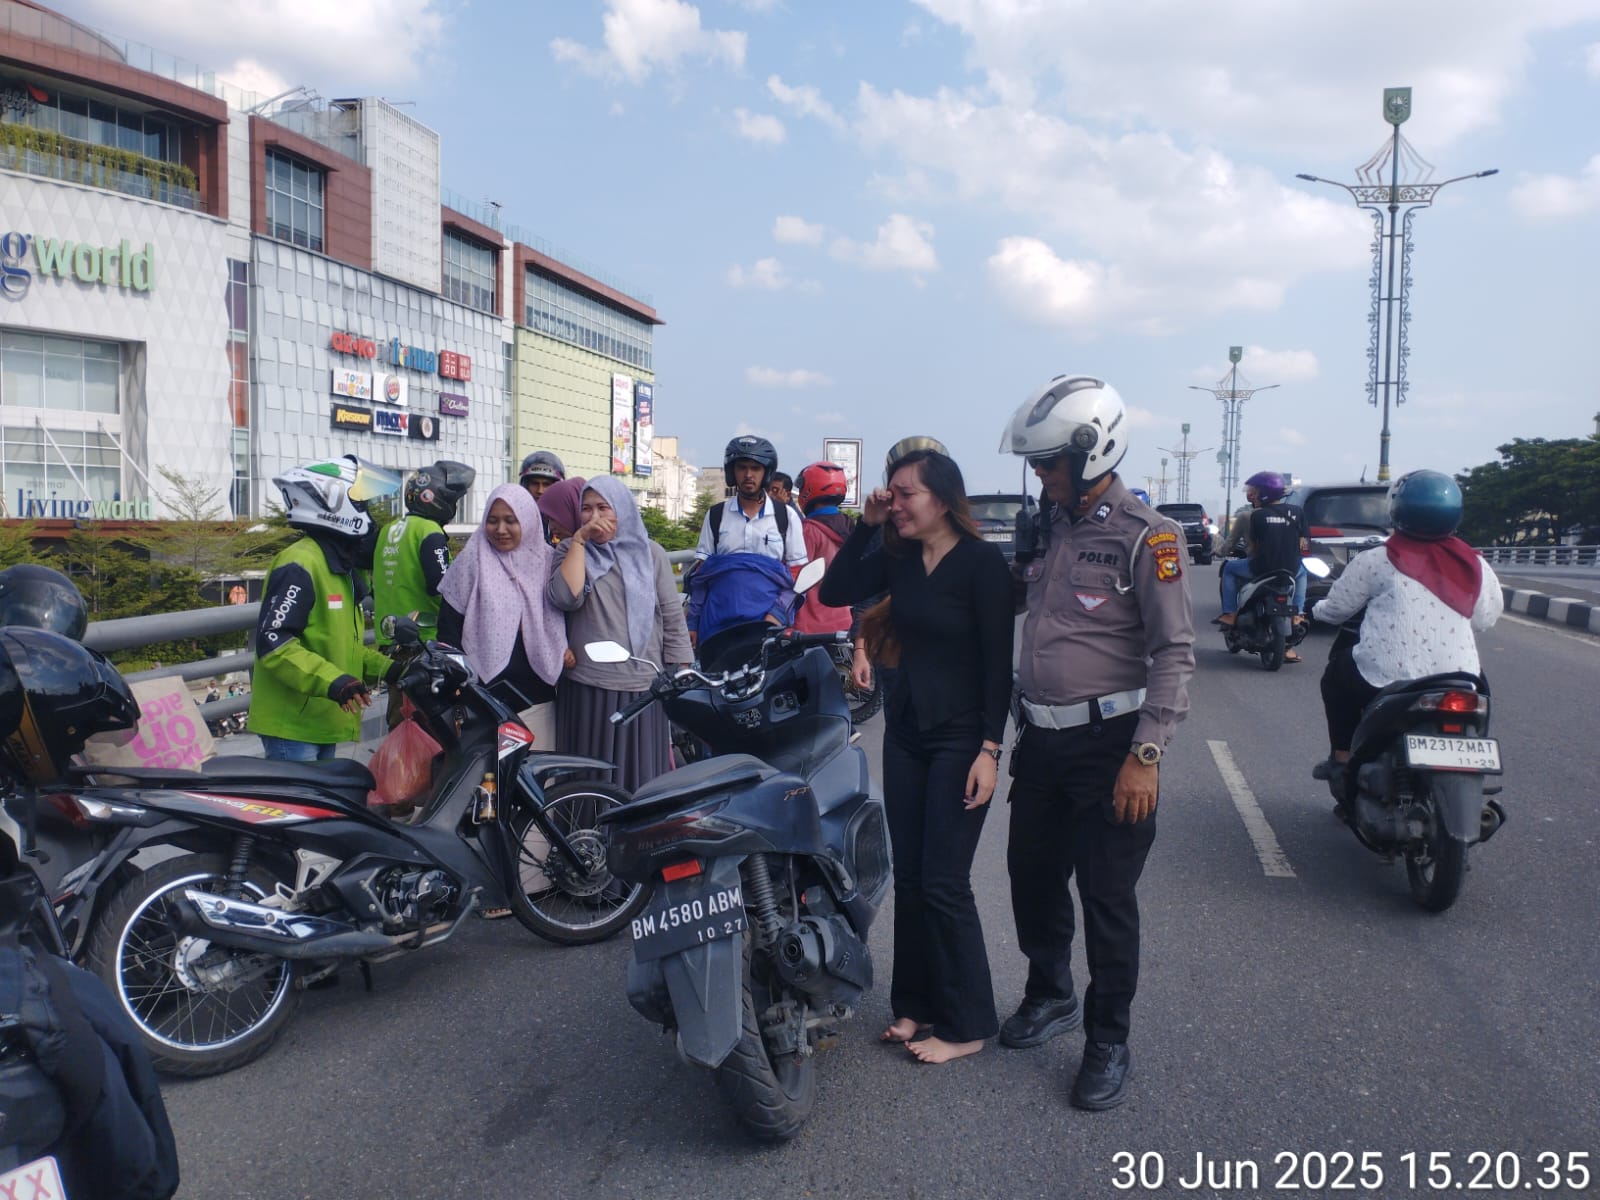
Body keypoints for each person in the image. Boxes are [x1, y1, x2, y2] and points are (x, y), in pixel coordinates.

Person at [997, 374, 1195, 1110]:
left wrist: (1145, 757)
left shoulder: (1151, 537)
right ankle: (1050, 993)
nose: (1040, 476)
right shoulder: (1046, 527)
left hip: (1111, 746)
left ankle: (1108, 1038)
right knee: (1031, 877)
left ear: (1091, 453)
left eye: (1048, 463)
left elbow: (1174, 652)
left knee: (1108, 899)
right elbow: (1017, 602)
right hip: (1041, 745)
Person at [819, 448, 1012, 1065]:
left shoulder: (983, 565)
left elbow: (996, 668)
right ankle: (916, 1003)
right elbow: (837, 587)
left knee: (947, 880)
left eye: (905, 496)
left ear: (943, 498)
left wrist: (990, 748)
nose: (895, 503)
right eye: (891, 494)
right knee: (913, 873)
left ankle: (969, 1021)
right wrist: (868, 526)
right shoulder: (899, 557)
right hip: (906, 732)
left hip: (962, 738)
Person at [1312, 470, 1502, 791]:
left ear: (1397, 510)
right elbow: (1484, 619)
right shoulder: (1476, 564)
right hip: (1458, 680)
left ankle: (1342, 758)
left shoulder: (1376, 559)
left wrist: (1315, 610)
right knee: (1481, 695)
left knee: (1336, 676)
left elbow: (1337, 610)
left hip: (1386, 681)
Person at [248, 456, 403, 762]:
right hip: (292, 727)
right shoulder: (301, 563)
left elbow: (342, 648)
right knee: (301, 809)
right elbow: (275, 644)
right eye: (362, 505)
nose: (370, 518)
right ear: (334, 503)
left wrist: (392, 669)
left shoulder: (339, 570)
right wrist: (334, 682)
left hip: (322, 718)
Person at [549, 476, 692, 792]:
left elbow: (671, 614)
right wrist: (579, 542)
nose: (593, 516)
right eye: (586, 509)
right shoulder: (570, 551)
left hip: (642, 686)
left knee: (638, 776)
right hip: (588, 683)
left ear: (622, 511)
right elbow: (565, 597)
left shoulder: (650, 553)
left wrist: (681, 668)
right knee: (587, 778)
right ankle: (582, 839)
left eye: (603, 507)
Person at [437, 484, 568, 739]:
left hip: (538, 697)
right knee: (486, 777)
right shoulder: (471, 562)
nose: (500, 530)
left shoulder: (549, 562)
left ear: (528, 521)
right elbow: (448, 632)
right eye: (492, 520)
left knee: (536, 775)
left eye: (511, 521)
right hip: (481, 698)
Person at [374, 460, 477, 723]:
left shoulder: (389, 530)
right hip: (422, 642)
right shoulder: (429, 532)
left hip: (390, 638)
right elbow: (441, 585)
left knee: (399, 715)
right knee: (423, 722)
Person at [849, 436, 948, 700]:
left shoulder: (967, 548)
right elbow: (857, 597)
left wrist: (991, 739)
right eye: (900, 491)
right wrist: (860, 651)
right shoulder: (884, 534)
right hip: (894, 656)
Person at [1218, 470, 1309, 661]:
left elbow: (1253, 546)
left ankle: (1229, 614)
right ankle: (1298, 613)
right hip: (1290, 569)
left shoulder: (1255, 516)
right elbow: (1304, 542)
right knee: (1302, 574)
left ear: (1262, 493)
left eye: (1255, 491)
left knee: (1228, 569)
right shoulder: (1297, 512)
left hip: (1261, 568)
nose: (1252, 494)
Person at [694, 435, 807, 569]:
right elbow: (703, 566)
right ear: (732, 472)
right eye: (742, 468)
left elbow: (797, 570)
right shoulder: (715, 515)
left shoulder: (786, 517)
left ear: (767, 473)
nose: (748, 475)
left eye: (755, 468)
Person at [792, 461, 854, 636]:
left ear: (808, 490)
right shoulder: (850, 526)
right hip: (845, 622)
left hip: (810, 627)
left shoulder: (808, 530)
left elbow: (796, 576)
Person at [537, 475, 587, 544]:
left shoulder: (604, 546)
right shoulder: (563, 549)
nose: (551, 527)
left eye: (555, 519)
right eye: (548, 519)